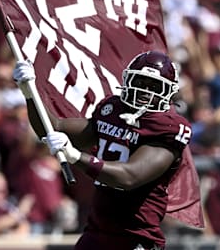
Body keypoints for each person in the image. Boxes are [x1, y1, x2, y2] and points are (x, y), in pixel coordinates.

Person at [13, 51, 191, 250]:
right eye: (140, 82)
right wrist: (30, 93)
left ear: (169, 92)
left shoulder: (167, 127)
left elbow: (129, 176)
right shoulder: (113, 109)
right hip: (97, 232)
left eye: (154, 86)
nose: (145, 92)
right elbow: (52, 127)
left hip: (134, 238)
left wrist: (76, 156)